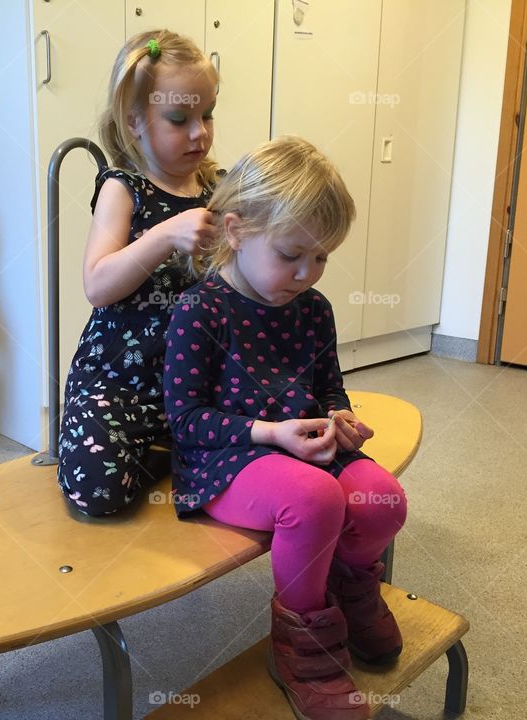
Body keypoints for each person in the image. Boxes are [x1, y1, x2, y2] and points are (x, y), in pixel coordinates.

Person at [164, 136, 407, 720]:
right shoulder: (200, 310)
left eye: (321, 257)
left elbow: (328, 387)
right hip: (228, 457)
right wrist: (270, 434)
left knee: (382, 503)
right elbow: (187, 422)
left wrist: (340, 418)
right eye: (291, 254)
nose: (307, 272)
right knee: (315, 498)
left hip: (305, 447)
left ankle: (352, 588)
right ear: (235, 231)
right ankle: (305, 645)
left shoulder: (313, 307)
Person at [57, 30, 219, 516]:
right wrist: (165, 235)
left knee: (274, 444)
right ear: (135, 122)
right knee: (97, 492)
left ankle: (170, 449)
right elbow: (97, 286)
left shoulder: (219, 186)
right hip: (118, 384)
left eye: (208, 114)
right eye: (179, 119)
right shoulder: (123, 189)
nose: (200, 133)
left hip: (197, 384)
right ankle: (154, 454)